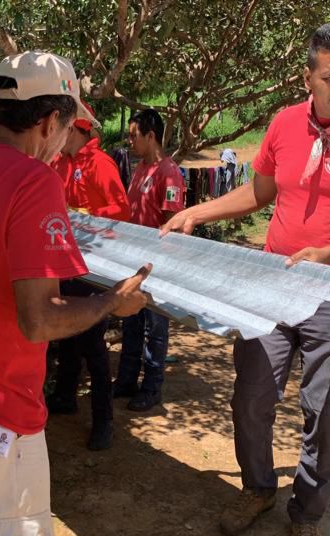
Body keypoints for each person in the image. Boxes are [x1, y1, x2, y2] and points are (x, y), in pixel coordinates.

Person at [161, 23, 330, 536]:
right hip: (273, 285)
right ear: (308, 77)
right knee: (250, 394)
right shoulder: (285, 124)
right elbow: (258, 194)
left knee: (326, 410)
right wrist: (197, 213)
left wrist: (327, 253)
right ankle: (257, 489)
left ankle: (306, 515)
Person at [0, 51, 152, 536]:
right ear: (47, 121)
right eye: (66, 130)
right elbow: (38, 320)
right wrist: (110, 302)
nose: (64, 147)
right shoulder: (32, 180)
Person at [47, 102, 131, 450]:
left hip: (92, 267)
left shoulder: (100, 164)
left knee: (93, 345)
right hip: (63, 261)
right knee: (64, 334)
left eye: (66, 130)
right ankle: (65, 397)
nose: (60, 136)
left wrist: (87, 214)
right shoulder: (59, 164)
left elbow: (122, 210)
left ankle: (103, 420)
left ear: (79, 130)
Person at [114, 109, 185, 412]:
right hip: (135, 263)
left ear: (150, 136)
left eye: (134, 136)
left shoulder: (169, 174)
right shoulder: (141, 168)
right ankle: (127, 380)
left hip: (156, 266)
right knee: (131, 322)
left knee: (155, 328)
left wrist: (162, 266)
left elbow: (171, 225)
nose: (130, 141)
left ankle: (152, 386)